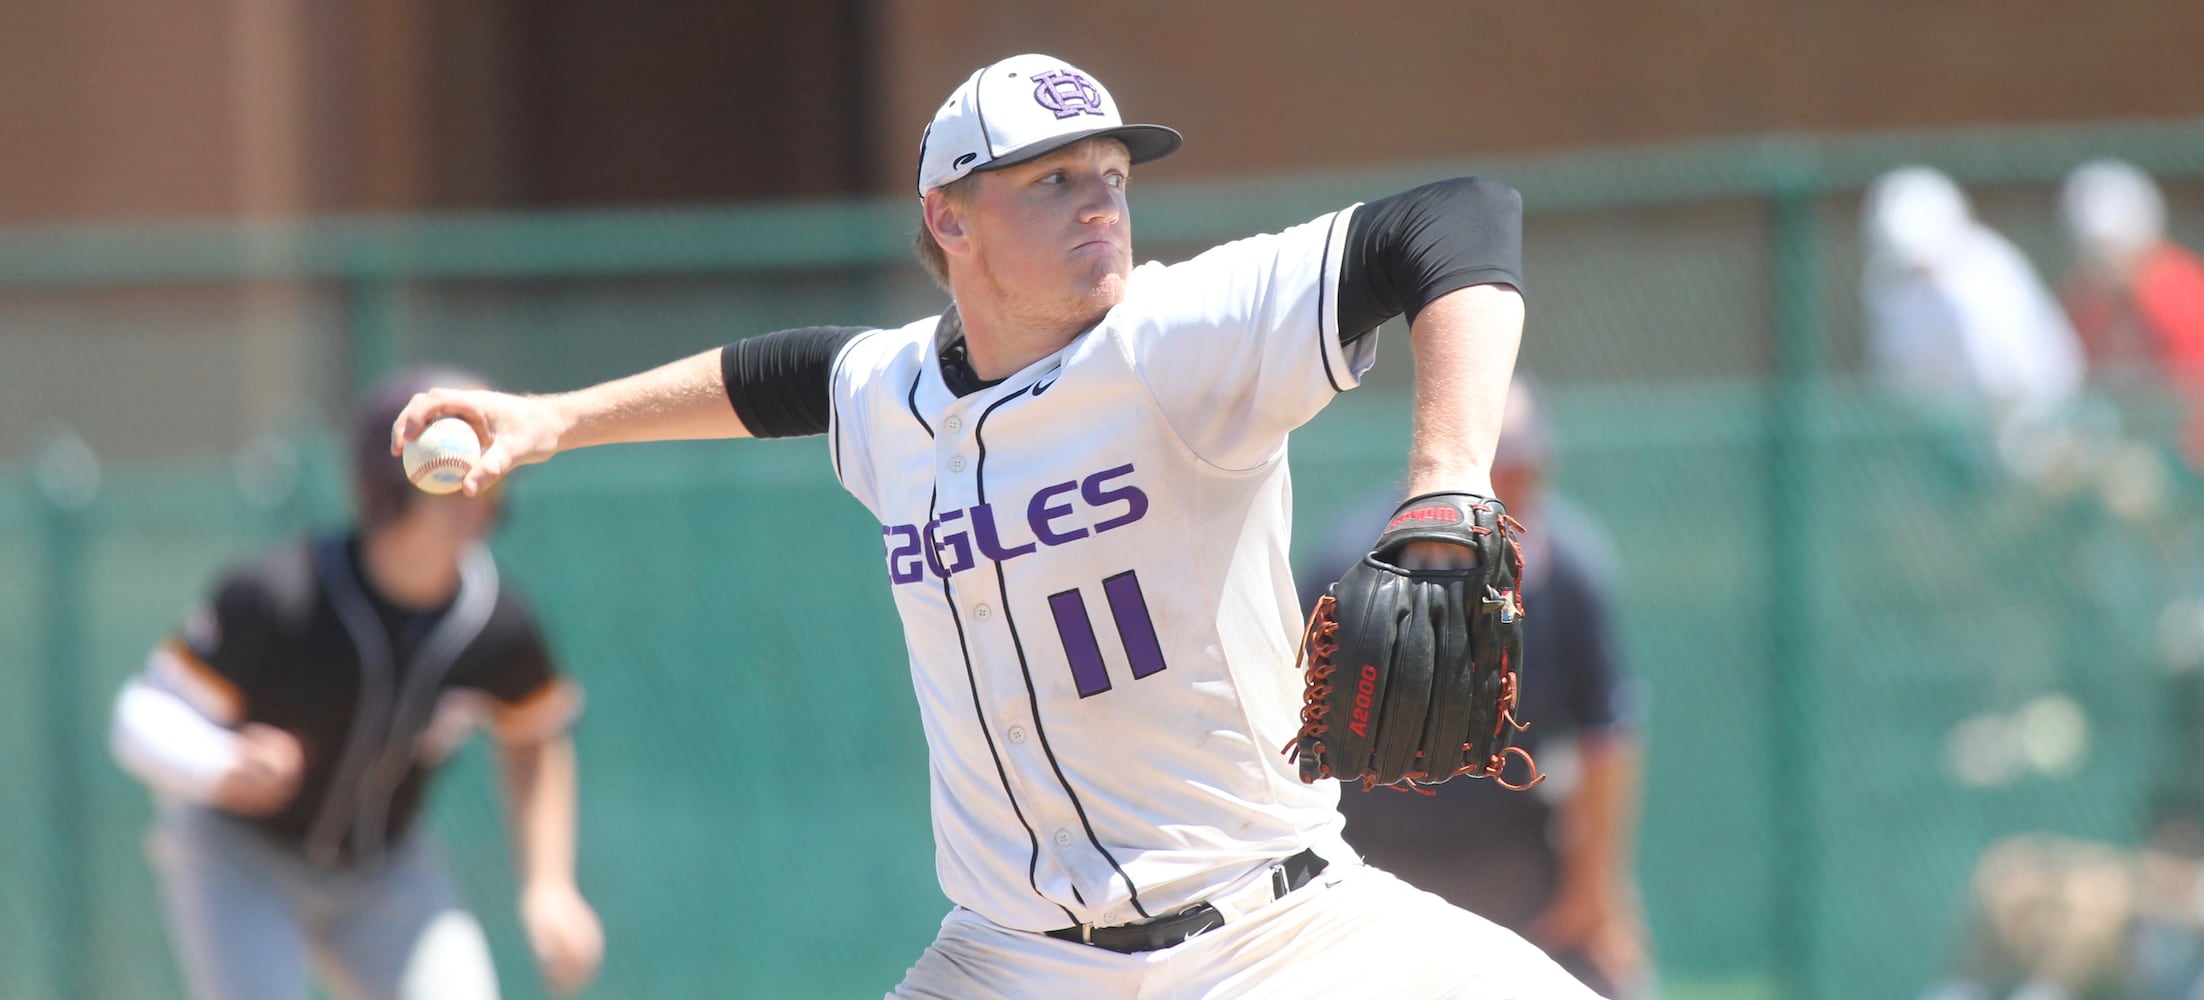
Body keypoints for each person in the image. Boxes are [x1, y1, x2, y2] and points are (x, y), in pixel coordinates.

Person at [393, 53, 1598, 998]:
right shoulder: (893, 395)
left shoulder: (1175, 338)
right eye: (1051, 180)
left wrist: (1448, 481)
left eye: (1112, 175)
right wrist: (548, 419)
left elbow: (1457, 222)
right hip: (1015, 961)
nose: (1100, 204)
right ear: (949, 219)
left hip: (1275, 934)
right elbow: (786, 376)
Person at [110, 366, 604, 1000]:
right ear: (387, 485)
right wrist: (221, 761)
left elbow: (534, 734)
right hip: (242, 859)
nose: (475, 492)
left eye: (488, 473)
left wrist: (550, 884)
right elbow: (140, 715)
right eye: (450, 470)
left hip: (385, 873)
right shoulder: (282, 595)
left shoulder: (497, 623)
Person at [1301, 375, 1651, 998]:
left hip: (1512, 856)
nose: (1512, 479)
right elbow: (1293, 728)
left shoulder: (1568, 569)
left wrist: (1594, 888)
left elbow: (1607, 738)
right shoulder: (1351, 563)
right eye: (1495, 462)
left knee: (1612, 981)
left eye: (1522, 461)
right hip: (1373, 860)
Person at [1860, 165, 2087, 480]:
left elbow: (2016, 380)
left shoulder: (1987, 273)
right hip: (1944, 443)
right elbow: (1899, 382)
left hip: (2026, 436)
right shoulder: (1889, 281)